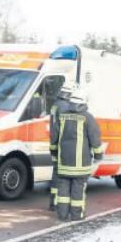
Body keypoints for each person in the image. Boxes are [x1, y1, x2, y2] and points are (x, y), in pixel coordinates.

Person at [50, 86, 103, 221]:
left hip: (63, 162)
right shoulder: (88, 118)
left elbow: (54, 137)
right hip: (81, 164)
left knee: (63, 190)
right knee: (77, 191)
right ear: (84, 102)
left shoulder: (62, 116)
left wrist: (54, 153)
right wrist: (98, 156)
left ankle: (62, 214)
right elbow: (95, 139)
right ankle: (77, 215)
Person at [48, 83, 73, 211]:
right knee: (62, 174)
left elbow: (53, 127)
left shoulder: (55, 105)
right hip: (63, 144)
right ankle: (58, 203)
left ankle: (52, 201)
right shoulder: (65, 106)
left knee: (55, 172)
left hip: (54, 142)